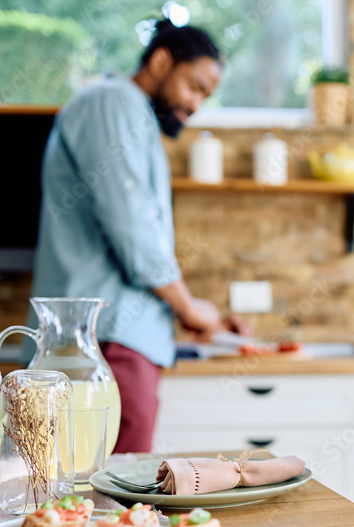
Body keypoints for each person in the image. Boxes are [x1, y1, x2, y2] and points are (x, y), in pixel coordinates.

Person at [30, 20, 247, 454]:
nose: (196, 104)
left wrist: (198, 316)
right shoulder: (112, 102)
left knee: (92, 497)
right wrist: (186, 305)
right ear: (161, 60)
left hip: (112, 340)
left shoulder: (129, 115)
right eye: (194, 86)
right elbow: (132, 227)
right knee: (109, 497)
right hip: (105, 344)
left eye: (205, 96)